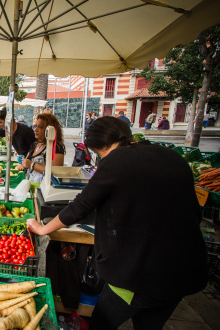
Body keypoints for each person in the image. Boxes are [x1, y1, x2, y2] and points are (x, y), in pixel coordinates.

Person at [26, 116, 207, 329]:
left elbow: (80, 206)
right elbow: (195, 213)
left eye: (97, 154)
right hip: (186, 270)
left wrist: (43, 228)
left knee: (102, 323)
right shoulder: (173, 157)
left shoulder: (115, 161)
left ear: (99, 147)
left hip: (141, 273)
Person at [16, 113, 65, 183]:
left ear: (49, 129)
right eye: (36, 126)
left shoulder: (56, 147)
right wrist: (23, 164)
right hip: (30, 185)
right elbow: (27, 161)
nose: (35, 129)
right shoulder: (35, 144)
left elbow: (54, 173)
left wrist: (32, 165)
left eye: (40, 127)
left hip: (43, 189)